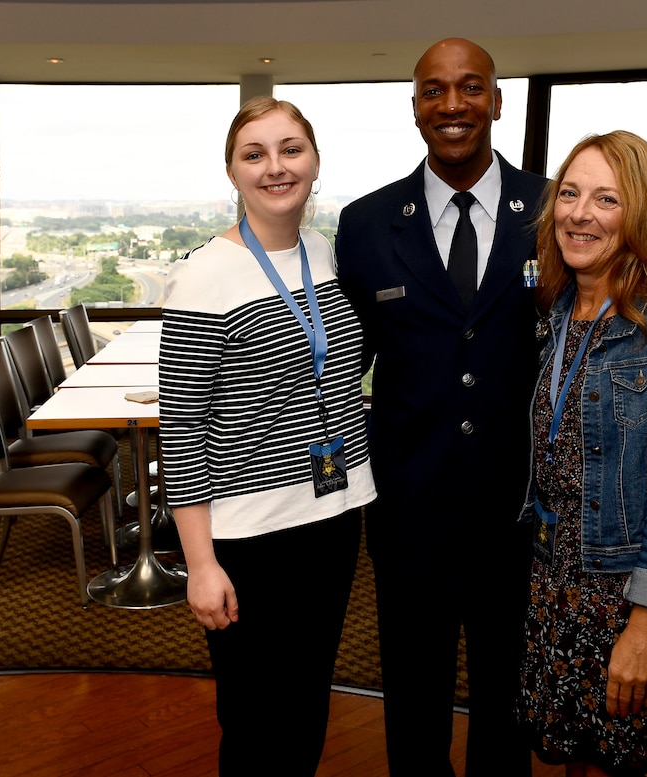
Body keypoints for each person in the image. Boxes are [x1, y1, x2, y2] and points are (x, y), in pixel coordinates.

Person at [334, 38, 547, 777]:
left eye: (470, 88)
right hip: (408, 510)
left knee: (506, 701)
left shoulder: (554, 212)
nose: (452, 105)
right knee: (414, 698)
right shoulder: (364, 225)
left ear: (497, 99)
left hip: (519, 513)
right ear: (415, 107)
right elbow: (340, 370)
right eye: (434, 90)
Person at [159, 96, 376, 775]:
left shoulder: (324, 252)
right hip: (250, 534)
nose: (275, 167)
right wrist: (200, 563)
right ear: (232, 171)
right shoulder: (202, 277)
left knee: (307, 702)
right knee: (255, 718)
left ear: (314, 161)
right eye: (255, 154)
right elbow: (183, 426)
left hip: (336, 516)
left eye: (290, 149)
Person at [516, 131, 647, 777]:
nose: (579, 213)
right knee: (574, 762)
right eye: (569, 193)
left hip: (621, 595)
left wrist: (646, 624)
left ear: (640, 213)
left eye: (605, 198)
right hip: (554, 582)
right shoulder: (557, 309)